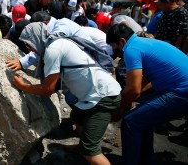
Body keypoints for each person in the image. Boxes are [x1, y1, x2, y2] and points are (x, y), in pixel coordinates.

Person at [10, 22, 121, 165]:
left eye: (28, 44)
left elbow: (47, 89)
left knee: (91, 151)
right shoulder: (59, 41)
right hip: (97, 92)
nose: (29, 48)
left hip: (103, 97)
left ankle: (87, 149)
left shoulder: (53, 49)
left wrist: (23, 86)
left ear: (36, 39)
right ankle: (82, 146)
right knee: (77, 115)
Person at [106, 24, 188, 165]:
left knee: (131, 121)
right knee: (143, 117)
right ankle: (145, 160)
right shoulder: (145, 42)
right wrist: (126, 95)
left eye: (115, 46)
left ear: (122, 41)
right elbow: (144, 82)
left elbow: (134, 90)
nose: (115, 50)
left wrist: (119, 108)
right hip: (179, 88)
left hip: (181, 92)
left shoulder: (131, 49)